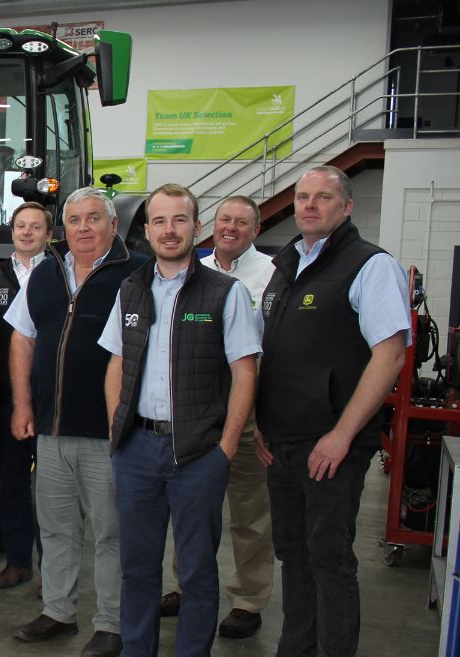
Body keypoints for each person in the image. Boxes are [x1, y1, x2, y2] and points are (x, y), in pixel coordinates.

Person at [99, 183, 260, 657]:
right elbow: (115, 363)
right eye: (160, 221)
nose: (170, 231)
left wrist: (225, 448)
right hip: (137, 449)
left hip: (198, 454)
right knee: (138, 568)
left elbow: (244, 371)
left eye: (180, 220)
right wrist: (117, 432)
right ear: (146, 231)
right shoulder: (130, 289)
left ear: (196, 226)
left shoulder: (225, 293)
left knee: (195, 572)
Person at [256, 166, 409, 657]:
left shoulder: (369, 265)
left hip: (331, 445)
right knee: (293, 555)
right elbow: (271, 353)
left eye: (323, 197)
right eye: (302, 196)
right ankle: (295, 647)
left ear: (347, 206)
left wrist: (342, 434)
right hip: (282, 443)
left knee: (330, 559)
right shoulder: (286, 266)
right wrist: (262, 422)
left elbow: (390, 355)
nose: (309, 205)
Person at [4, 189, 145, 656]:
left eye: (93, 219)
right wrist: (23, 405)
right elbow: (22, 340)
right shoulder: (46, 272)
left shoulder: (136, 272)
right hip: (49, 428)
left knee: (111, 532)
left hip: (107, 431)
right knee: (57, 527)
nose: (83, 228)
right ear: (63, 228)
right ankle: (58, 612)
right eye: (75, 220)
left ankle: (111, 622)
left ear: (112, 224)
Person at [160, 195, 276, 638]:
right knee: (189, 510)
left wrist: (265, 417)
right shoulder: (194, 270)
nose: (231, 228)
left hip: (246, 415)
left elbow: (274, 351)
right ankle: (184, 586)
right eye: (224, 219)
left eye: (241, 222)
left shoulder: (272, 275)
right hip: (197, 411)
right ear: (211, 225)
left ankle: (248, 599)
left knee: (249, 513)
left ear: (256, 230)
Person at [0, 202, 49, 590]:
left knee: (52, 491)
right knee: (12, 483)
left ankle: (51, 570)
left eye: (35, 227)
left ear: (48, 234)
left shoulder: (61, 275)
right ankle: (18, 562)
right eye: (20, 226)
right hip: (6, 402)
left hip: (50, 402)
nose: (26, 233)